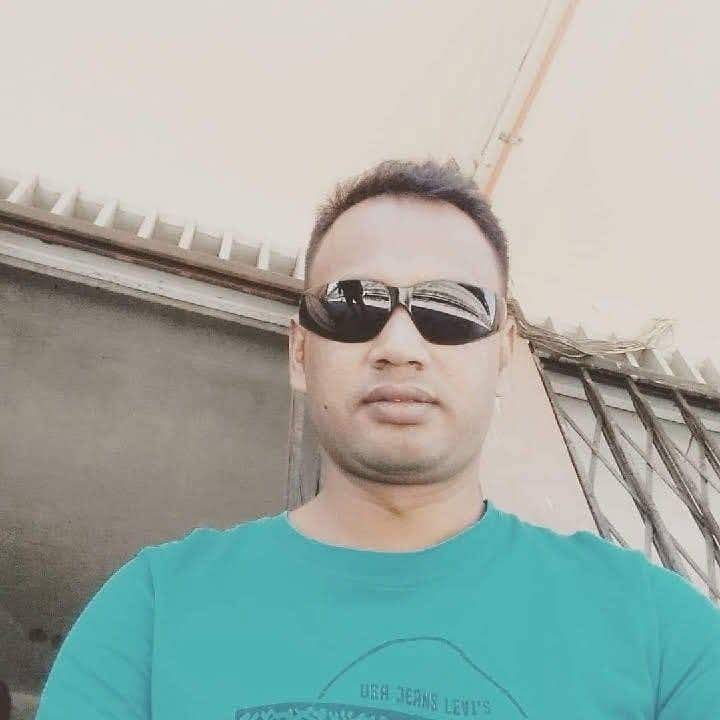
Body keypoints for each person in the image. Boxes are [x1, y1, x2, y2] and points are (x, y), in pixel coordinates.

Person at [35, 159, 720, 719]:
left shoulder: (659, 634)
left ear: (504, 353)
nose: (399, 345)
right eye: (352, 304)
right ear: (300, 352)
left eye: (451, 309)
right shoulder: (154, 611)